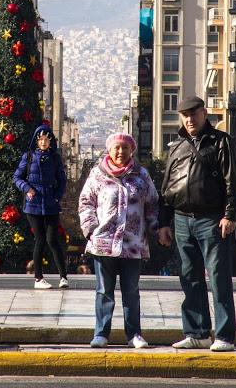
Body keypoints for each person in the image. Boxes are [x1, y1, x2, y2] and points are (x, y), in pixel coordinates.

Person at [158, 96, 236, 352]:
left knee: (219, 278)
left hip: (212, 220)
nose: (189, 118)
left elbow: (233, 182)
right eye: (184, 114)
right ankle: (197, 332)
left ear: (204, 114)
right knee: (189, 278)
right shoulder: (176, 146)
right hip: (183, 220)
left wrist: (230, 215)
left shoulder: (221, 142)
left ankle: (225, 336)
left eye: (194, 113)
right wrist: (164, 222)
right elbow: (167, 187)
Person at [79, 132, 159, 349]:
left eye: (125, 148)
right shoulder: (97, 174)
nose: (121, 152)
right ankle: (101, 333)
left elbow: (152, 203)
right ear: (109, 150)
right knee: (104, 290)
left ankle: (134, 334)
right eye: (117, 148)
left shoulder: (141, 175)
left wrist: (155, 229)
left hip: (133, 244)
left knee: (131, 291)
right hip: (103, 243)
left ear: (131, 150)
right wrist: (91, 229)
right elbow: (86, 202)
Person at [14, 124, 68, 290]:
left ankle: (63, 277)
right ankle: (38, 278)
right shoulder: (28, 157)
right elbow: (17, 177)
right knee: (40, 240)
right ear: (36, 141)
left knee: (53, 239)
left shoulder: (55, 158)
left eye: (47, 139)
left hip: (51, 204)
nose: (44, 142)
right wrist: (27, 189)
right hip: (33, 205)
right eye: (41, 139)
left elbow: (62, 179)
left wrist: (57, 196)